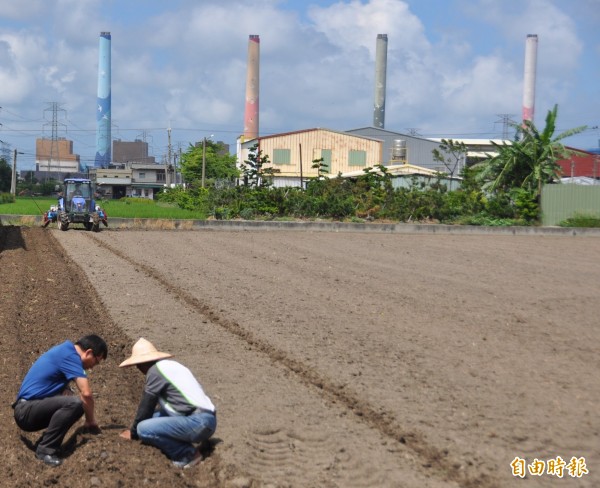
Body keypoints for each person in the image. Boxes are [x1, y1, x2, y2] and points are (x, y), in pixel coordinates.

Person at [119, 338, 217, 469]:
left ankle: (187, 454)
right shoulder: (170, 366)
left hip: (199, 422)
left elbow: (146, 405)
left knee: (143, 428)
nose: (138, 368)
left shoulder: (154, 371)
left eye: (138, 365)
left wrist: (133, 433)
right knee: (152, 418)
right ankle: (185, 445)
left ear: (142, 363)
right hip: (206, 420)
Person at [13, 334, 108, 467]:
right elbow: (86, 394)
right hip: (26, 411)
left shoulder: (65, 351)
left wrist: (65, 389)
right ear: (89, 352)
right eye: (96, 362)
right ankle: (45, 450)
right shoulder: (71, 356)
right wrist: (90, 421)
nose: (92, 367)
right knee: (76, 403)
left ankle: (46, 441)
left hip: (28, 408)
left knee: (70, 400)